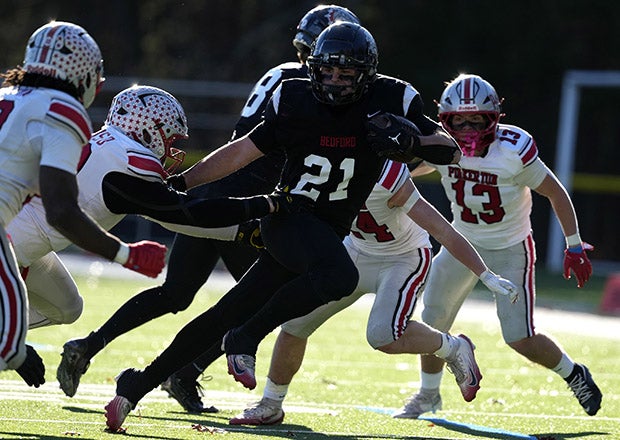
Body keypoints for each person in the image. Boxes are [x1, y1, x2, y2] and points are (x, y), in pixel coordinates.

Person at [102, 21, 465, 431]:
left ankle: (134, 386)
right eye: (327, 71)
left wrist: (413, 143)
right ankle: (245, 338)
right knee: (339, 276)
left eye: (346, 74)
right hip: (288, 215)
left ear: (367, 73)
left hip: (324, 231)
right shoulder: (294, 98)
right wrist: (181, 182)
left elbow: (449, 149)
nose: (334, 82)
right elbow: (240, 152)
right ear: (312, 67)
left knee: (227, 310)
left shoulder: (392, 96)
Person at [56, 4, 361, 412]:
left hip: (219, 193)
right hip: (244, 208)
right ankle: (182, 373)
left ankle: (92, 345)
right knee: (250, 304)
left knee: (176, 293)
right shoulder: (303, 88)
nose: (337, 75)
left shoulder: (282, 76)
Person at [8, 83, 284, 394]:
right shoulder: (126, 165)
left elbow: (171, 215)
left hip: (28, 244)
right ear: (146, 129)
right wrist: (265, 204)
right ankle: (8, 343)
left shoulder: (109, 148)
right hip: (11, 244)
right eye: (169, 136)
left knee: (67, 307)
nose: (172, 148)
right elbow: (187, 213)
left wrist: (241, 232)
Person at [223, 158, 517, 425]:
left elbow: (443, 230)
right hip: (354, 250)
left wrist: (485, 274)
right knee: (296, 322)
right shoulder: (323, 165)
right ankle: (271, 403)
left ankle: (453, 347)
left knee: (383, 336)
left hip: (403, 257)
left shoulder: (388, 175)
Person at [395, 73, 602, 419]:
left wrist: (574, 244)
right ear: (445, 121)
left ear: (493, 118)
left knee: (520, 338)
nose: (467, 129)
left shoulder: (513, 151)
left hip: (510, 249)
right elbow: (403, 173)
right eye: (458, 121)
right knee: (432, 320)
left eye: (476, 119)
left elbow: (554, 191)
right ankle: (428, 395)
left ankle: (573, 373)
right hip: (461, 242)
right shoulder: (441, 145)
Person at [0, 21, 167, 388]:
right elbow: (62, 211)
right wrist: (125, 254)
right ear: (84, 73)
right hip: (6, 237)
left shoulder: (7, 94)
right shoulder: (63, 112)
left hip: (10, 232)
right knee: (9, 346)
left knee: (63, 308)